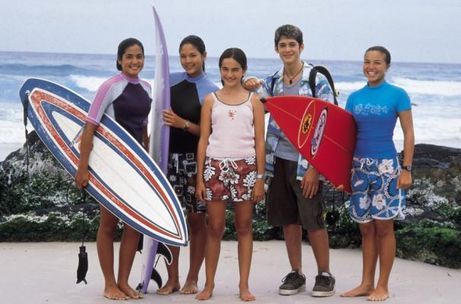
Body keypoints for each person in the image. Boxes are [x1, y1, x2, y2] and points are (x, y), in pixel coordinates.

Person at [244, 24, 335, 297]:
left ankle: (324, 274)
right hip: (279, 159)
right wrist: (249, 82)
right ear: (276, 49)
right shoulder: (273, 80)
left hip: (306, 163)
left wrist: (315, 169)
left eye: (292, 45)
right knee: (289, 221)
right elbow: (262, 104)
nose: (287, 50)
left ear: (301, 47)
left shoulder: (316, 79)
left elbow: (326, 124)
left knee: (313, 220)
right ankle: (296, 273)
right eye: (282, 45)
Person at [75, 38, 151, 300]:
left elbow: (143, 130)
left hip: (136, 167)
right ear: (119, 59)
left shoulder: (147, 88)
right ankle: (109, 283)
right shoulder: (109, 86)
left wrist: (149, 165)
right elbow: (90, 126)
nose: (134, 61)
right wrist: (82, 168)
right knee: (108, 224)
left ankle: (124, 282)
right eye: (129, 56)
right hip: (110, 166)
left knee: (134, 226)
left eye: (139, 56)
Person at [341, 46, 414, 301]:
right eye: (367, 62)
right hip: (359, 167)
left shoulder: (398, 95)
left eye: (377, 63)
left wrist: (406, 168)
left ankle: (383, 285)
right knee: (365, 229)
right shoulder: (354, 98)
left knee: (384, 227)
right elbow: (345, 138)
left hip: (386, 167)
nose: (371, 67)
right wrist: (342, 173)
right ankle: (365, 283)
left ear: (387, 66)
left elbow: (409, 134)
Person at [195, 48, 265, 301]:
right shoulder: (210, 100)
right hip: (215, 166)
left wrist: (259, 178)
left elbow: (260, 142)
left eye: (235, 69)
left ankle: (243, 285)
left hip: (245, 167)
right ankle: (209, 284)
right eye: (225, 69)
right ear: (220, 70)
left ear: (243, 70)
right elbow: (203, 140)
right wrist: (200, 177)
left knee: (244, 227)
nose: (230, 74)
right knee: (214, 228)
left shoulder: (254, 101)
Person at [157, 35, 219, 295]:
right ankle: (172, 278)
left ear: (204, 56)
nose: (188, 60)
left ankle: (192, 278)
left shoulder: (210, 90)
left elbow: (212, 133)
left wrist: (182, 123)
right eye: (183, 56)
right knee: (171, 220)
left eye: (193, 55)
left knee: (195, 220)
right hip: (168, 158)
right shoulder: (169, 81)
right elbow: (156, 118)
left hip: (196, 162)